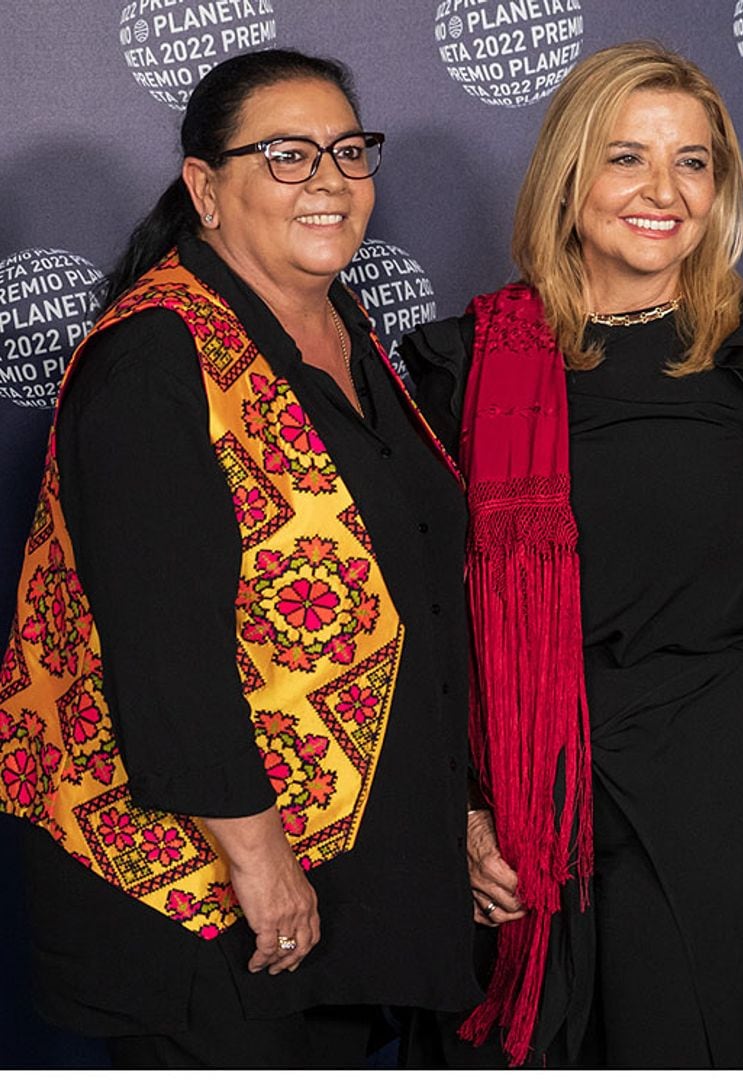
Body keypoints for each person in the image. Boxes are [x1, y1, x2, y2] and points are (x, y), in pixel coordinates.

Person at [401, 41, 743, 1068]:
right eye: (627, 157)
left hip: (705, 813)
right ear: (567, 176)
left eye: (694, 162)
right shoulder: (467, 365)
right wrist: (457, 813)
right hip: (513, 820)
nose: (663, 191)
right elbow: (425, 619)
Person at [0, 49, 479, 1067]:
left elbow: (419, 600)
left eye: (350, 151)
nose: (332, 180)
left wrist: (457, 814)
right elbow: (166, 652)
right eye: (289, 155)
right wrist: (263, 868)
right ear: (205, 188)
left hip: (353, 885)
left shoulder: (341, 328)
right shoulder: (154, 360)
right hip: (210, 909)